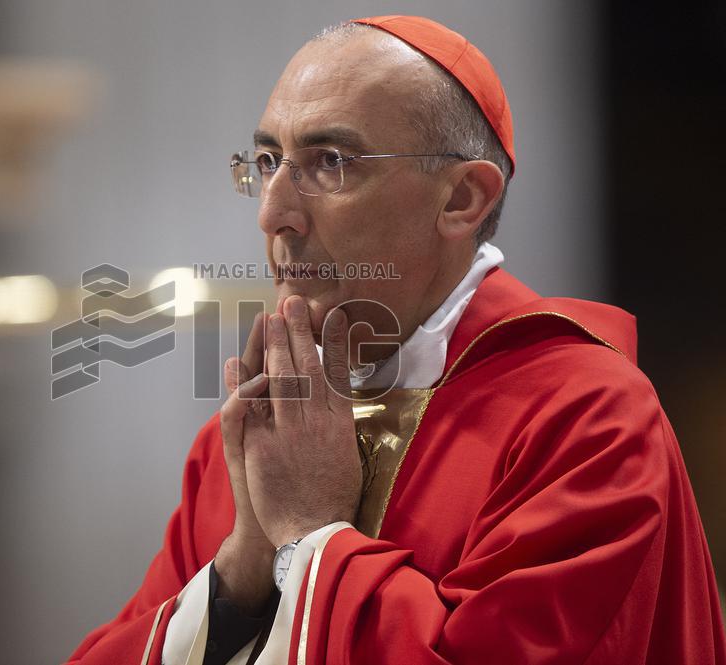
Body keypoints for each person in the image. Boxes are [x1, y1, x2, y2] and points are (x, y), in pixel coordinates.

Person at [65, 15, 726, 665]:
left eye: (330, 163)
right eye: (267, 161)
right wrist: (243, 568)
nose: (273, 212)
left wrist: (309, 536)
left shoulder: (583, 421)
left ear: (463, 198)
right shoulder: (257, 432)